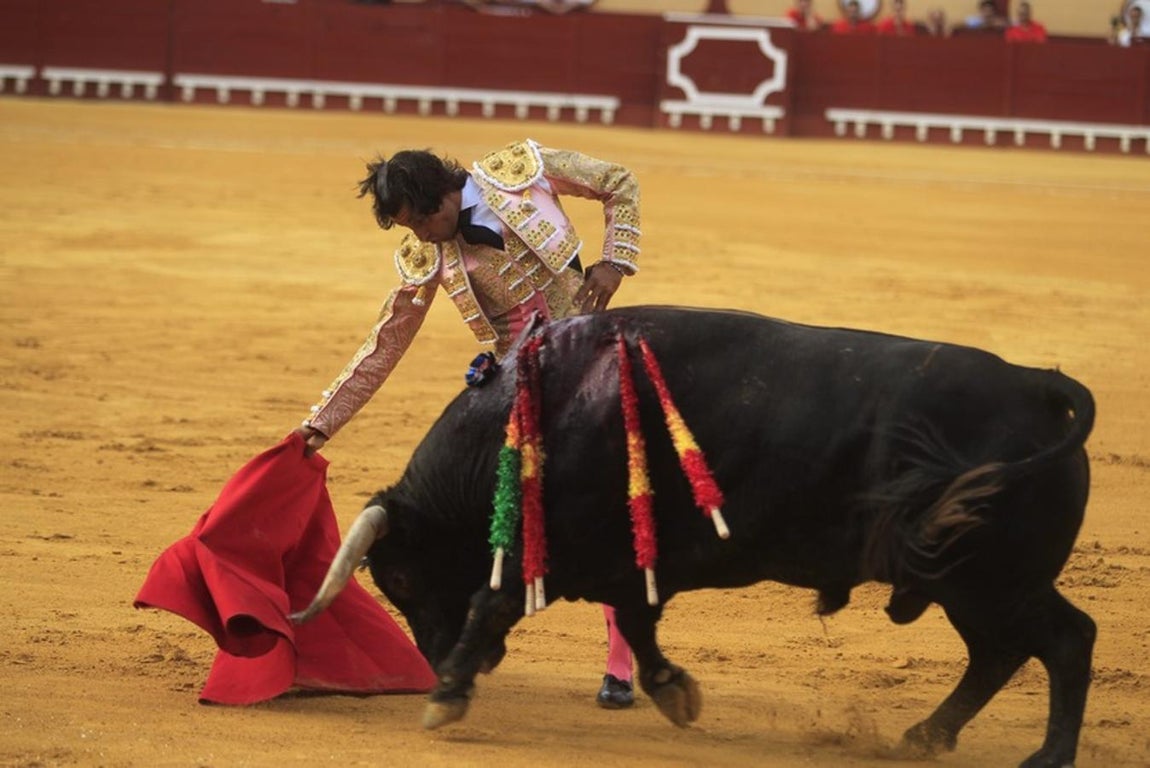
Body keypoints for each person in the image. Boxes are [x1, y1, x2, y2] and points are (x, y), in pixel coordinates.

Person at [294, 139, 640, 709]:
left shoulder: (521, 172)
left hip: (592, 364)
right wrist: (319, 425)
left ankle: (621, 665)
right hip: (519, 388)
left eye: (420, 221)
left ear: (443, 197)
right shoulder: (428, 255)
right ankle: (472, 634)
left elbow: (619, 182)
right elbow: (385, 343)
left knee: (611, 506)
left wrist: (613, 262)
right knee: (482, 509)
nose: (420, 236)